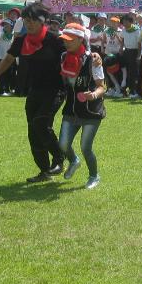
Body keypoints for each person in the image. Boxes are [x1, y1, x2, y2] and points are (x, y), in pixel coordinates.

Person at [0, 2, 66, 182]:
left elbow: (75, 52)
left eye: (32, 21)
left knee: (40, 123)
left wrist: (94, 57)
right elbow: (8, 59)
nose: (28, 24)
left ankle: (59, 158)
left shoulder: (55, 40)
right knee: (33, 131)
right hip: (34, 90)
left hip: (55, 89)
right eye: (25, 20)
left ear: (42, 21)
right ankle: (45, 171)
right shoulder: (21, 41)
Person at [57, 23, 106, 189]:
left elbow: (102, 86)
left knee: (86, 147)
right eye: (65, 39)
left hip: (91, 111)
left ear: (80, 40)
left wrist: (92, 95)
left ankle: (94, 176)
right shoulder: (64, 57)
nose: (66, 42)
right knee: (63, 144)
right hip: (71, 109)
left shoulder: (93, 60)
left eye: (70, 40)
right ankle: (74, 161)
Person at [120, 13, 141, 98]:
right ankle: (126, 90)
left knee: (134, 72)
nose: (124, 24)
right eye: (123, 22)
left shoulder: (137, 30)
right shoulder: (124, 30)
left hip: (134, 52)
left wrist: (139, 55)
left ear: (130, 21)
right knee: (126, 71)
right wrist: (121, 48)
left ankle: (134, 91)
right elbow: (122, 39)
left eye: (125, 22)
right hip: (126, 52)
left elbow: (139, 44)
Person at [0, 18, 16, 95]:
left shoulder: (14, 34)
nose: (5, 26)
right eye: (4, 25)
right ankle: (1, 90)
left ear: (11, 26)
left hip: (9, 57)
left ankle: (7, 89)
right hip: (0, 56)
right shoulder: (0, 32)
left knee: (8, 74)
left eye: (7, 25)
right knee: (1, 74)